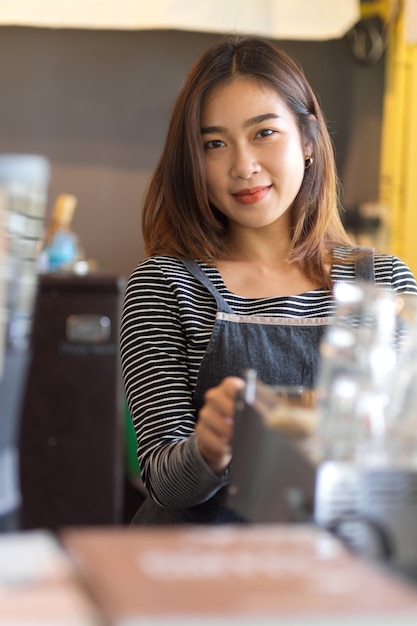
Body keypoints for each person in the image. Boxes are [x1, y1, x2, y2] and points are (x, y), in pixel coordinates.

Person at [120, 35, 417, 525]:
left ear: (307, 139)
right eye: (214, 144)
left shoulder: (381, 281)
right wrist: (209, 447)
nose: (243, 166)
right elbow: (164, 483)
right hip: (199, 576)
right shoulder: (166, 285)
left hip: (343, 568)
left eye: (264, 133)